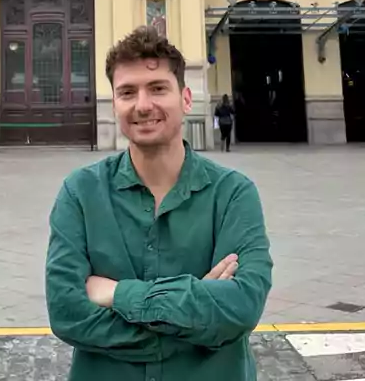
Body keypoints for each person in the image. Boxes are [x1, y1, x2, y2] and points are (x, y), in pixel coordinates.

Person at [44, 26, 272, 380]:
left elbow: (241, 308)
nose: (143, 105)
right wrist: (195, 319)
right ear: (114, 104)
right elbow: (67, 312)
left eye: (157, 88)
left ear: (185, 98)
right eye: (127, 92)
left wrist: (117, 293)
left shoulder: (233, 194)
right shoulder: (81, 193)